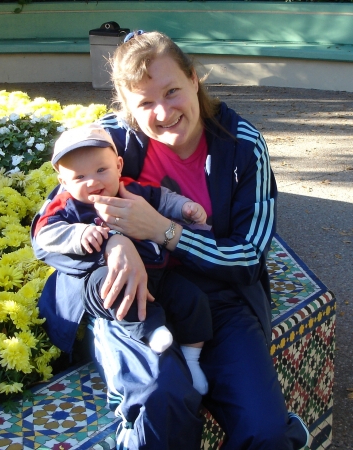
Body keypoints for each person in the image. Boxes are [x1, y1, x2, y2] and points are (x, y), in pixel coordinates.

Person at [32, 30, 309, 449]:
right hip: (135, 298)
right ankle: (132, 412)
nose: (162, 112)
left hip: (219, 296)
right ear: (127, 106)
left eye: (172, 90)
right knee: (163, 402)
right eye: (144, 102)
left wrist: (163, 230)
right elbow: (49, 227)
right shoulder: (109, 140)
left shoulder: (242, 145)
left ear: (195, 79)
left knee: (265, 432)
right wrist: (114, 242)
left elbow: (249, 256)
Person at [33, 123, 212, 394]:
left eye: (101, 170)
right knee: (114, 290)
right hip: (108, 274)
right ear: (64, 182)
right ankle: (151, 330)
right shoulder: (68, 206)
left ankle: (192, 359)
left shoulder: (131, 190)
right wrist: (78, 234)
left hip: (156, 272)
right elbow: (44, 234)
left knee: (192, 298)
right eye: (79, 177)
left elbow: (163, 198)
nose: (93, 182)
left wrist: (184, 207)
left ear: (118, 166)